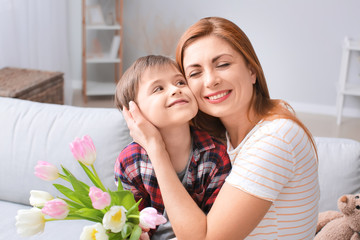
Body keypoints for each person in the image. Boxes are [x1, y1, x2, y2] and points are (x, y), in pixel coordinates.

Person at [122, 17, 320, 240]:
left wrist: (155, 147)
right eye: (195, 73)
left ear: (251, 70)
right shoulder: (219, 138)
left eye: (223, 64)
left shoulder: (276, 138)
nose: (211, 81)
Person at [113, 55, 232, 239]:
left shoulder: (215, 155)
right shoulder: (130, 161)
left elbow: (215, 229)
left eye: (180, 82)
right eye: (158, 88)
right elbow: (131, 226)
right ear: (133, 113)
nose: (175, 90)